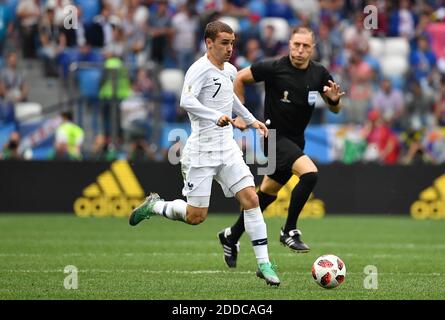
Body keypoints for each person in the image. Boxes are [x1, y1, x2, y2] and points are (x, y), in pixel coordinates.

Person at [128, 21, 280, 286]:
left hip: (228, 148)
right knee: (196, 216)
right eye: (224, 42)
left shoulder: (231, 70)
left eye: (232, 42)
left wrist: (252, 120)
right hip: (201, 151)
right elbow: (186, 101)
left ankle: (264, 263)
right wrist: (215, 116)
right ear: (209, 43)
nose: (230, 48)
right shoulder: (198, 70)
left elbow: (232, 100)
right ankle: (155, 205)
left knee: (251, 199)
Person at [218, 26, 345, 268]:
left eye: (305, 46)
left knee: (265, 197)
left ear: (312, 48)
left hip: (296, 141)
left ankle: (231, 236)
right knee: (310, 174)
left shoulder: (319, 73)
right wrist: (242, 111)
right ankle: (289, 230)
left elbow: (334, 107)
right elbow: (240, 78)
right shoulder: (274, 68)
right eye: (296, 44)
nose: (300, 50)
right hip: (272, 137)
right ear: (289, 44)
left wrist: (335, 100)